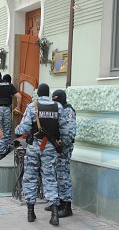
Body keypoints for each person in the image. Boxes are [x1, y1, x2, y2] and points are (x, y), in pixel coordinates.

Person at [15, 83, 69, 226]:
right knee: (50, 177)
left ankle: (31, 212)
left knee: (31, 177)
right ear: (49, 93)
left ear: (38, 94)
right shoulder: (58, 107)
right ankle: (55, 214)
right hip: (50, 147)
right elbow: (64, 129)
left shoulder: (33, 106)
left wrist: (17, 129)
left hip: (34, 147)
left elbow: (23, 128)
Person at [45, 89, 77, 218]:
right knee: (58, 174)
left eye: (56, 99)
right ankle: (58, 203)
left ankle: (67, 206)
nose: (54, 102)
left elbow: (69, 133)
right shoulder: (60, 109)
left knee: (63, 176)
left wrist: (61, 145)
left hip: (64, 148)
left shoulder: (68, 111)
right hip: (57, 147)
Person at [0, 70, 22, 162]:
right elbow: (19, 96)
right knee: (7, 130)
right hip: (7, 109)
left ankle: (2, 153)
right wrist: (18, 107)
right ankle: (7, 149)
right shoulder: (8, 84)